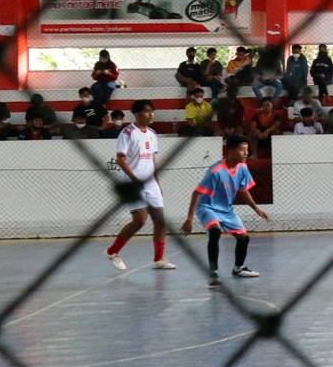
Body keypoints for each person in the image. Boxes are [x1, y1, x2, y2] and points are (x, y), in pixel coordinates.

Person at [181, 134, 269, 286]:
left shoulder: (242, 167)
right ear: (231, 150)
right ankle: (213, 273)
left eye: (247, 149)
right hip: (207, 206)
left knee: (244, 238)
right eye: (242, 150)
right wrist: (189, 219)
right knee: (215, 231)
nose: (246, 153)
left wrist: (256, 209)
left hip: (226, 210)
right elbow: (197, 193)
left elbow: (243, 190)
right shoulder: (216, 171)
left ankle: (238, 269)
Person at [105, 100, 173, 271]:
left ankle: (159, 259)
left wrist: (157, 182)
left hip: (150, 184)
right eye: (147, 111)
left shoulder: (152, 133)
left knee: (160, 221)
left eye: (152, 111)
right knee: (140, 221)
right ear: (136, 114)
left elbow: (153, 160)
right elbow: (121, 159)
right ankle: (112, 252)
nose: (151, 114)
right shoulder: (127, 133)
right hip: (132, 183)